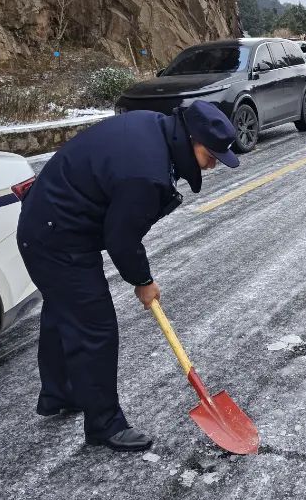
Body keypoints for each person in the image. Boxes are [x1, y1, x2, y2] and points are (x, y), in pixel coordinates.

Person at [17, 100, 240, 452]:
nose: (213, 164)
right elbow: (121, 238)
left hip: (47, 223)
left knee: (65, 310)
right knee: (95, 327)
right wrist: (143, 281)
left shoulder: (152, 125)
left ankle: (59, 394)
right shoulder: (146, 173)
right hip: (56, 237)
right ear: (191, 139)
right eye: (210, 154)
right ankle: (105, 425)